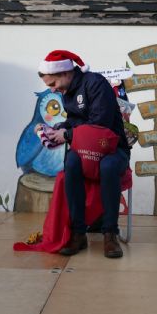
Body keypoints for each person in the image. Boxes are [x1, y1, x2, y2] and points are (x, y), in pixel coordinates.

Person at [38, 50, 130, 258]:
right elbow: (74, 120)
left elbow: (101, 124)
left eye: (53, 84)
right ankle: (78, 233)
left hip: (112, 148)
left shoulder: (95, 83)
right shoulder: (67, 92)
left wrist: (68, 134)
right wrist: (57, 128)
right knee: (71, 164)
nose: (53, 90)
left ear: (65, 73)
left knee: (108, 166)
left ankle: (110, 234)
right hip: (84, 150)